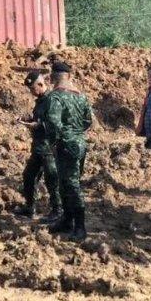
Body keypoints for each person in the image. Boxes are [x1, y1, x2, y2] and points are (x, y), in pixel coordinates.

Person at [43, 61, 94, 241]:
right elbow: (89, 121)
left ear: (51, 78)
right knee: (67, 183)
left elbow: (53, 123)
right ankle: (67, 220)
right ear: (69, 77)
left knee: (71, 185)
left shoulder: (54, 97)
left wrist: (56, 141)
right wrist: (76, 132)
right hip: (80, 143)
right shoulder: (81, 96)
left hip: (65, 146)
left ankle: (80, 227)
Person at [18, 69, 61, 222]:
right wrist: (29, 118)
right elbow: (40, 118)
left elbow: (54, 124)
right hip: (38, 148)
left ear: (41, 84)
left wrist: (36, 125)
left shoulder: (52, 100)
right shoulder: (41, 101)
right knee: (28, 176)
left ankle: (57, 210)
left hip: (49, 148)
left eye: (33, 88)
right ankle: (30, 207)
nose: (31, 92)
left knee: (52, 179)